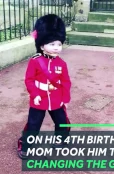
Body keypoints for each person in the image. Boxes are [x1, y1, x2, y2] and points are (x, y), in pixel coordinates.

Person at [17, 14, 72, 159]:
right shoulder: (35, 61)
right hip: (39, 98)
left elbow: (66, 81)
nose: (56, 48)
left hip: (56, 98)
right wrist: (34, 94)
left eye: (59, 44)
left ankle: (61, 140)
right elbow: (29, 80)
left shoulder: (62, 63)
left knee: (62, 121)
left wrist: (64, 98)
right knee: (33, 124)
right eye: (52, 44)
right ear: (42, 45)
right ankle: (25, 145)